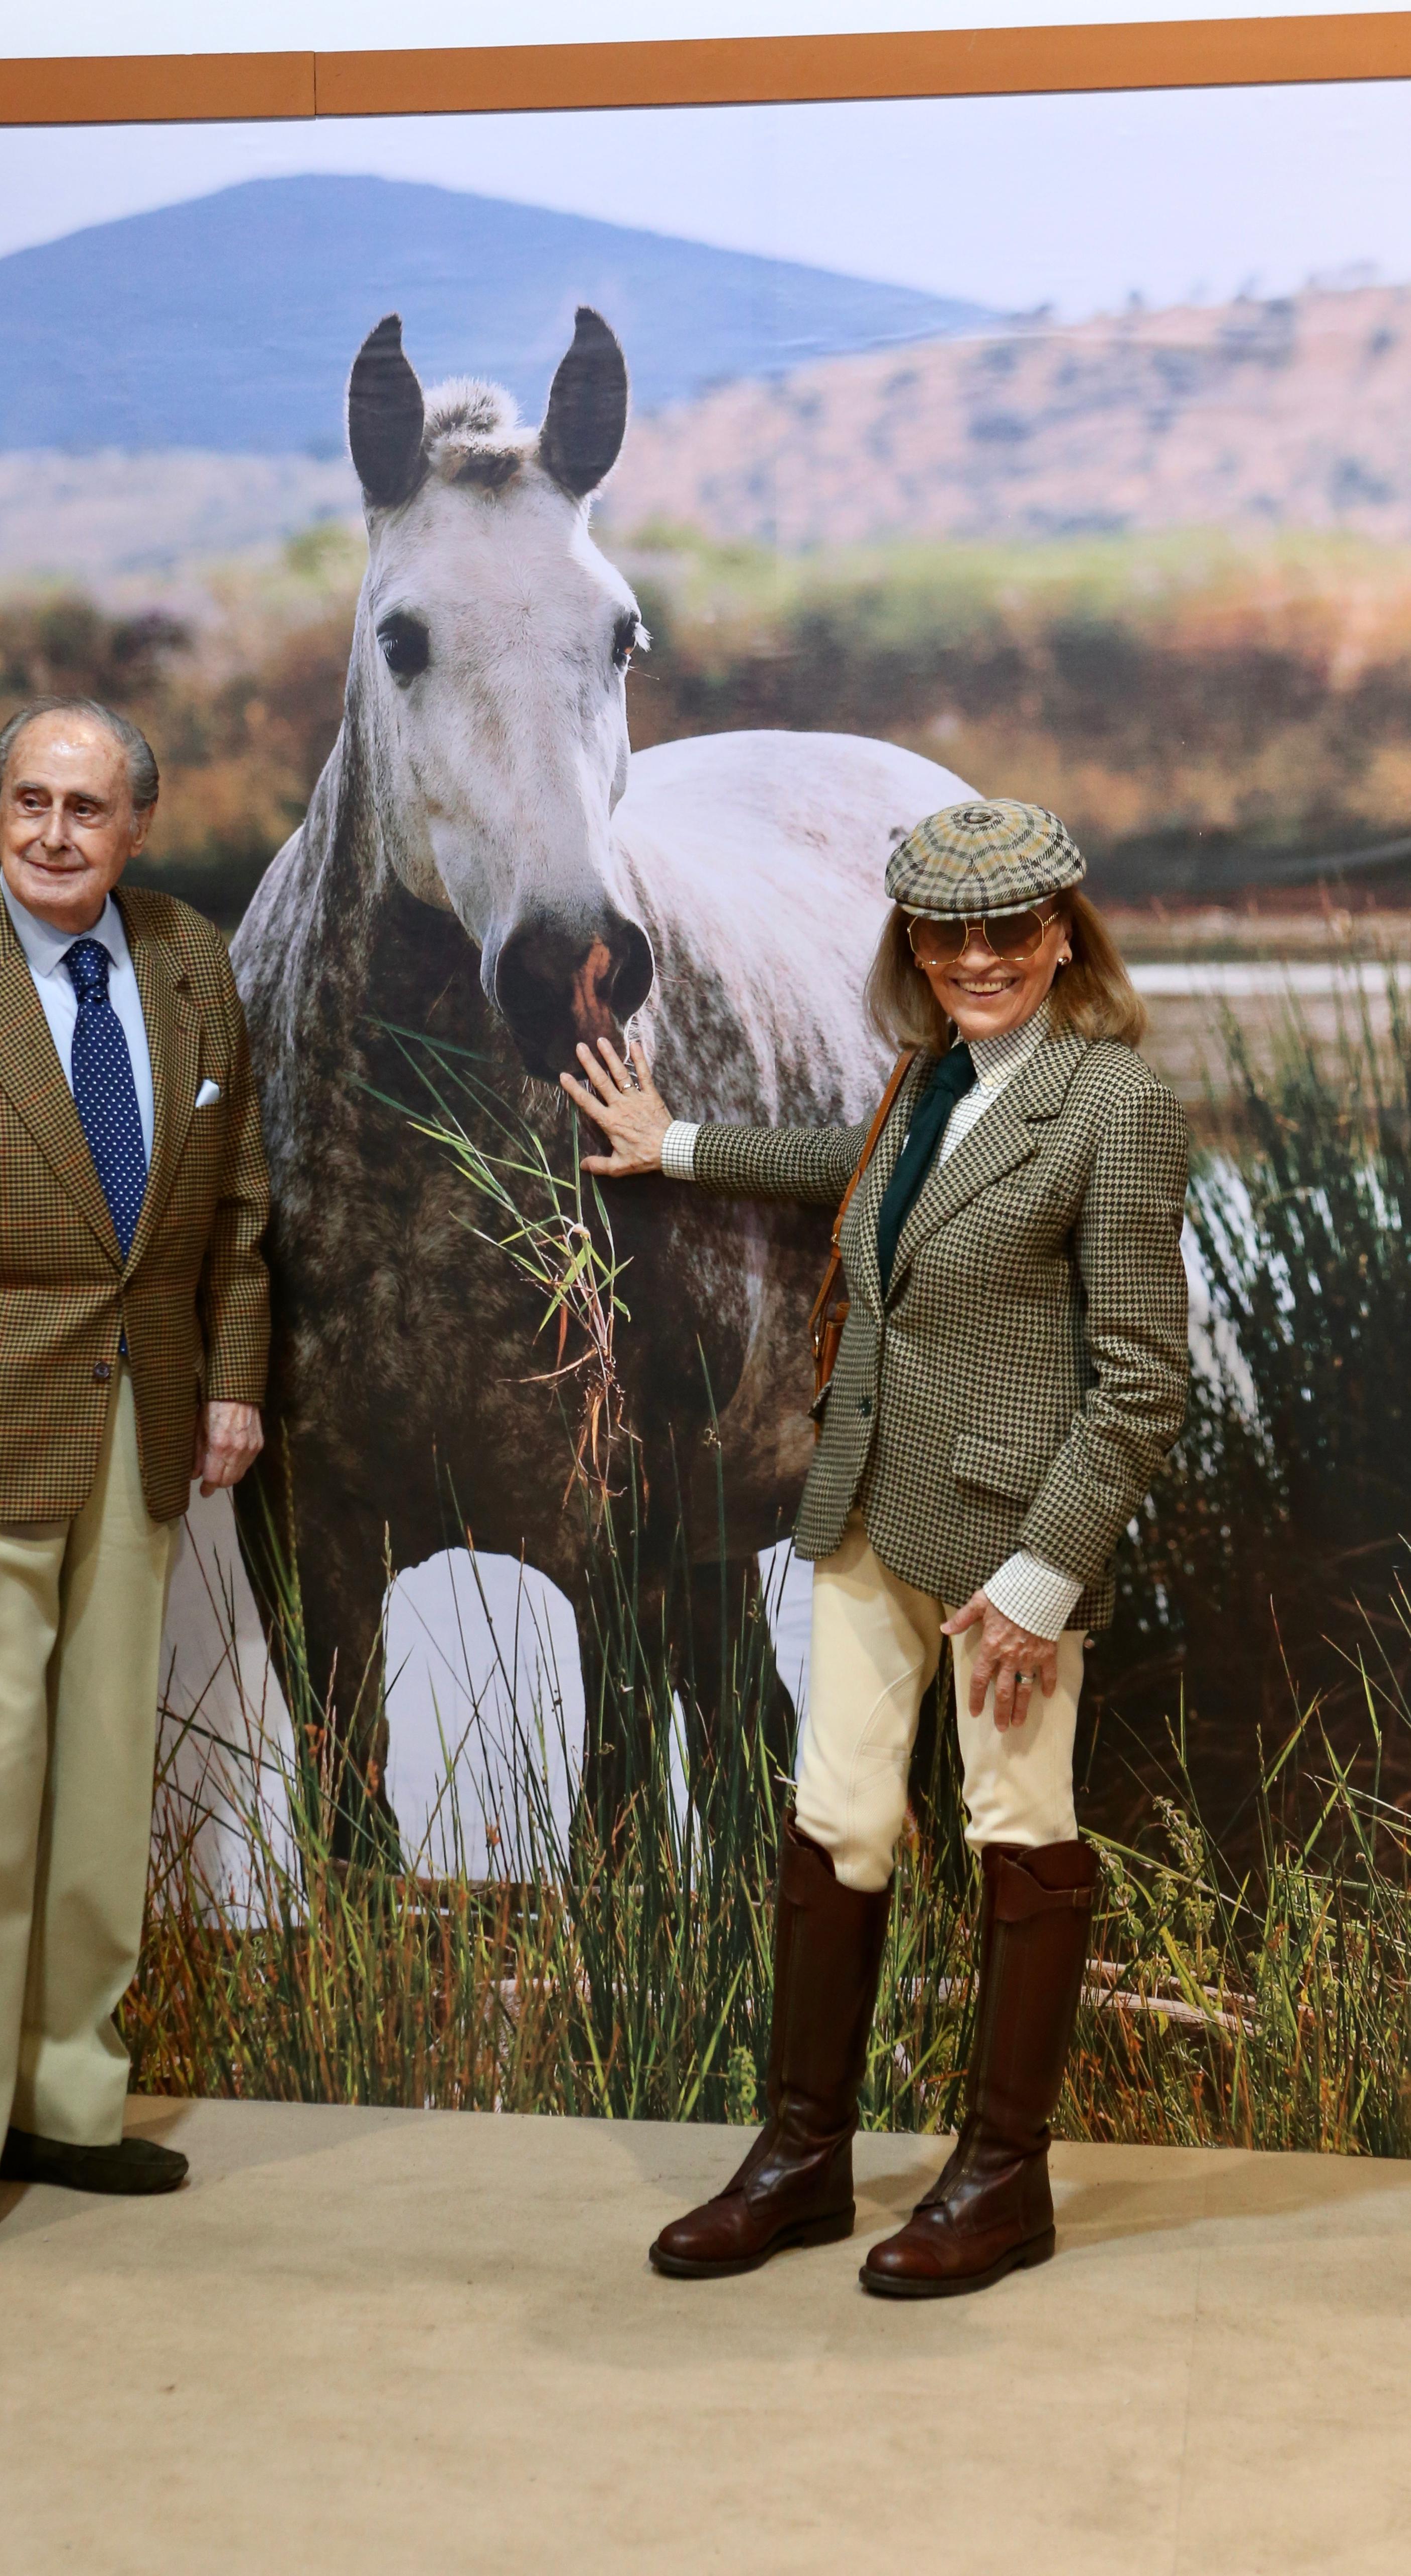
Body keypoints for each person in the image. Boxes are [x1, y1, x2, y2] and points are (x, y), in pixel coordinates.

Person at [561, 799, 1188, 2299]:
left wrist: (1041, 1582)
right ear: (915, 943)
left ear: (1059, 936)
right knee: (837, 1820)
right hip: (863, 1514)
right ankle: (802, 2159)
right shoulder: (930, 1082)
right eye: (945, 934)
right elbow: (857, 1171)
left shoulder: (1113, 1105)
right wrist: (678, 1142)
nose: (977, 958)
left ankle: (1003, 2180)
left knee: (1016, 1836)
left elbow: (1145, 1380)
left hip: (1004, 1557)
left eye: (1008, 933)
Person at [0, 697, 273, 2273]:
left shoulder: (192, 961)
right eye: (30, 802)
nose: (56, 833)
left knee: (96, 1795)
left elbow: (242, 1217)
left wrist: (230, 1378)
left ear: (136, 825)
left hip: (141, 1432)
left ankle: (67, 2106)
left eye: (88, 807)